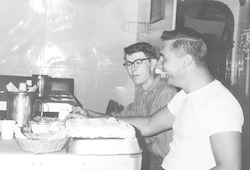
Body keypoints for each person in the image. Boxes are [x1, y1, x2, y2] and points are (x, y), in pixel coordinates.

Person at [66, 27, 244, 170]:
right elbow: (148, 124)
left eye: (164, 59)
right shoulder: (184, 96)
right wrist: (92, 117)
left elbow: (230, 167)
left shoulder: (219, 103)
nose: (158, 66)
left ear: (186, 61)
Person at [71, 42, 177, 170]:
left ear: (153, 63)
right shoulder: (144, 93)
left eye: (138, 62)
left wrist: (138, 143)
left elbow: (163, 149)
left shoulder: (165, 94)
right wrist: (89, 114)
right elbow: (118, 119)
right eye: (129, 64)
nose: (132, 69)